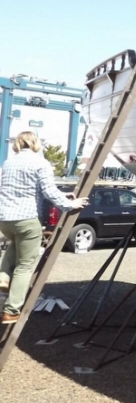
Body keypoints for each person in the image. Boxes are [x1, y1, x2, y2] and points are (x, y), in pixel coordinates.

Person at [0, 132, 88, 324]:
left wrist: (64, 195)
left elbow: (31, 188)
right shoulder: (40, 163)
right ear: (35, 143)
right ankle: (11, 310)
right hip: (27, 218)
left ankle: (2, 277)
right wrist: (70, 205)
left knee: (14, 244)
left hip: (5, 219)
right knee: (24, 266)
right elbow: (47, 190)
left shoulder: (8, 163)